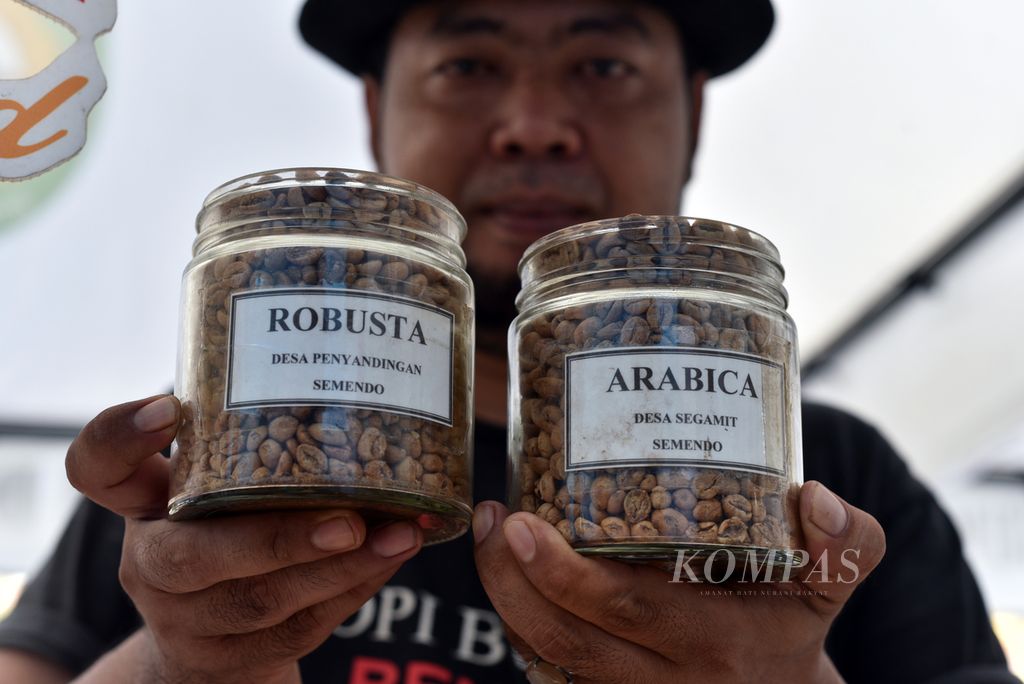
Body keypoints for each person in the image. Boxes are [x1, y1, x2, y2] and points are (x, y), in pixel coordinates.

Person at [0, 1, 1018, 682]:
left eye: (604, 64)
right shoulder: (198, 475)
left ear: (695, 112)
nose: (534, 125)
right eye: (469, 64)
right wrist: (177, 661)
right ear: (373, 109)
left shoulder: (833, 484)